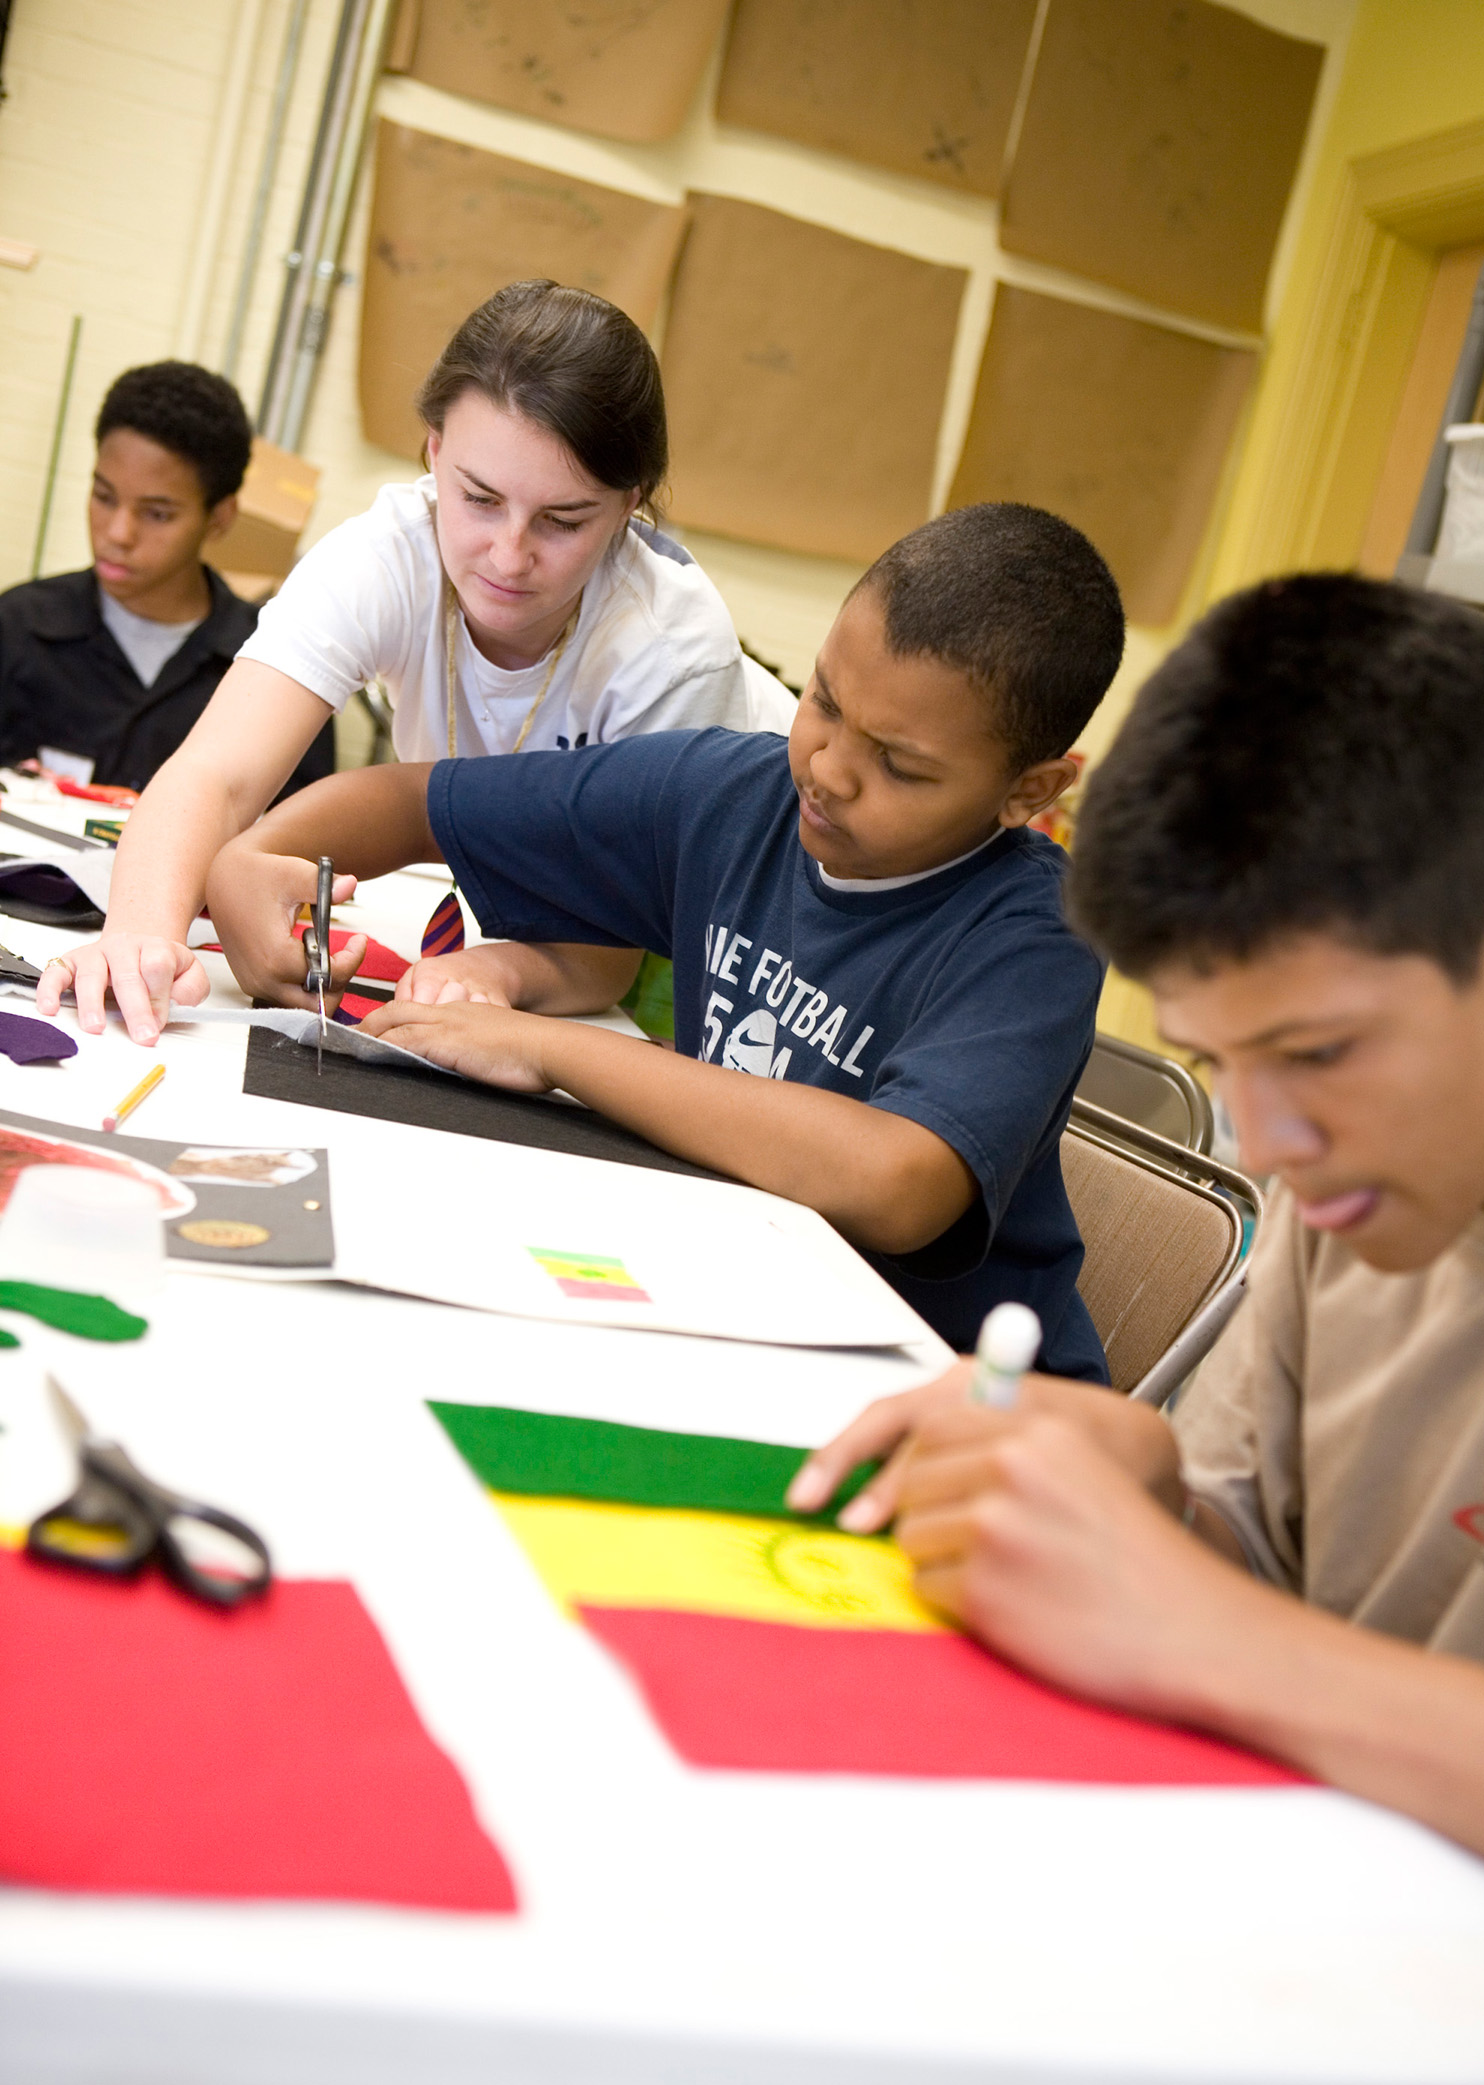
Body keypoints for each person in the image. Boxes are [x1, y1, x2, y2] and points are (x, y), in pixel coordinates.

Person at [788, 573, 1484, 1867]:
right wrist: (1145, 1478)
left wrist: (1208, 1632)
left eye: (1322, 1050)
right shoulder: (1352, 1190)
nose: (1270, 1141)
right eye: (1224, 1062)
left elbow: (1233, 1631)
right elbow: (1255, 1552)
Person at [205, 503, 1125, 1363]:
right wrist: (256, 853)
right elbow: (419, 801)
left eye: (900, 765)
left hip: (934, 1393)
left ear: (1030, 791)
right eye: (826, 702)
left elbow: (896, 1182)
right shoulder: (733, 795)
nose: (830, 771)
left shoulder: (1035, 937)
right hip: (732, 1297)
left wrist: (544, 1045)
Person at [37, 282, 795, 1044]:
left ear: (630, 504)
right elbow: (215, 772)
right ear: (435, 450)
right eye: (478, 498)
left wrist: (494, 970)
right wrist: (140, 935)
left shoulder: (670, 655)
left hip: (740, 921)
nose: (508, 554)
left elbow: (604, 957)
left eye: (563, 521)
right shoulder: (386, 555)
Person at [0, 361, 336, 801]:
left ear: (219, 517)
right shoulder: (18, 628)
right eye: (104, 497)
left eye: (157, 514)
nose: (118, 533)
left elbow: (297, 846)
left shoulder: (276, 667)